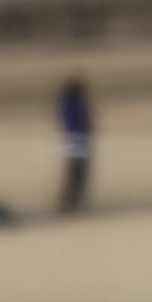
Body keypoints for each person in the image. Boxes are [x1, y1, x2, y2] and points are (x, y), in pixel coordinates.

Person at [56, 78, 93, 214]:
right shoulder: (74, 105)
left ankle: (70, 202)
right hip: (77, 142)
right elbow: (80, 123)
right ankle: (70, 202)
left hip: (72, 143)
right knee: (77, 175)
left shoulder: (67, 104)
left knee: (75, 175)